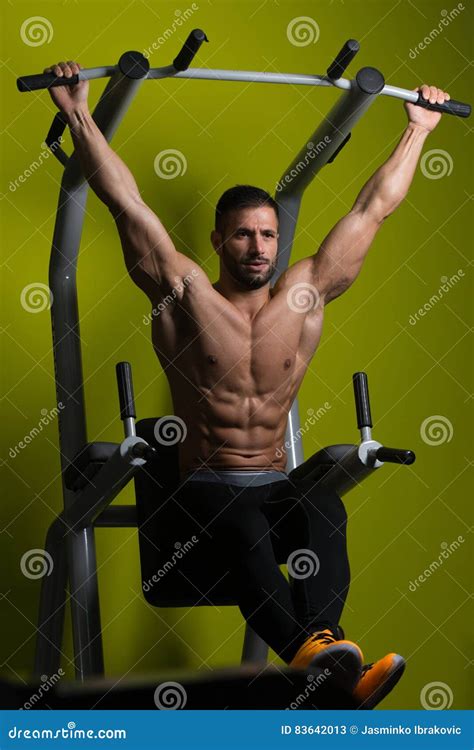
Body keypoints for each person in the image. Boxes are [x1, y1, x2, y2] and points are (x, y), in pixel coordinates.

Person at [44, 60, 450, 707]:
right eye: (243, 235)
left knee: (322, 505)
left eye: (268, 233)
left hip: (273, 481)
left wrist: (418, 130)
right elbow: (127, 204)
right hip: (203, 489)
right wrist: (79, 114)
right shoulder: (183, 293)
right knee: (244, 526)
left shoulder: (307, 294)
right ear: (219, 240)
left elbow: (373, 210)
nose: (259, 246)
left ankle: (324, 650)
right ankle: (321, 660)